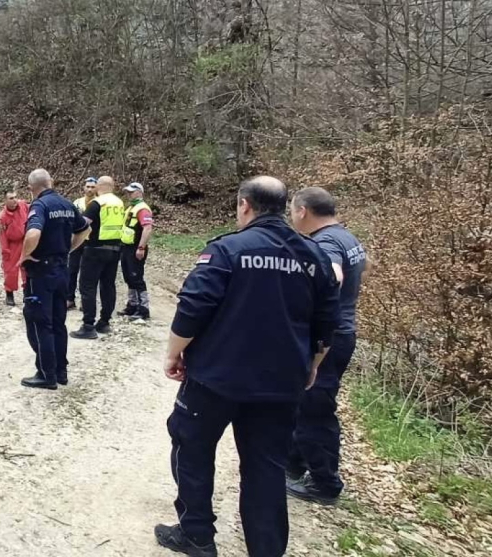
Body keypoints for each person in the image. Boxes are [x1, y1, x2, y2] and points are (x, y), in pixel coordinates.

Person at [154, 176, 340, 557]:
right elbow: (327, 323)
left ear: (244, 205)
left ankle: (196, 534)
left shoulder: (227, 249)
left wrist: (174, 353)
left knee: (191, 448)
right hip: (280, 383)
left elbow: (192, 306)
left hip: (215, 379)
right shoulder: (313, 255)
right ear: (285, 206)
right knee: (266, 467)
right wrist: (313, 365)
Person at [286, 187, 368, 506]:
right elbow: (364, 267)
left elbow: (332, 276)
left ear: (303, 211)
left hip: (328, 337)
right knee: (305, 402)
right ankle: (293, 463)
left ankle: (325, 482)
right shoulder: (347, 237)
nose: (292, 217)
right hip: (343, 332)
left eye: (293, 211)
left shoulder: (325, 242)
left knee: (314, 408)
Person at [18, 169, 90, 390]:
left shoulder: (40, 206)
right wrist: (68, 249)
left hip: (41, 273)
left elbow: (33, 234)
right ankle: (61, 371)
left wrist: (24, 255)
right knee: (59, 322)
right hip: (62, 270)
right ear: (51, 182)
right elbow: (85, 228)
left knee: (41, 323)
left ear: (32, 188)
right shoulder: (68, 205)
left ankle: (46, 374)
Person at [70, 175, 124, 340]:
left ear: (99, 187)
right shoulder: (119, 203)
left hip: (95, 249)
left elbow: (83, 224)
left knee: (87, 286)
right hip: (115, 249)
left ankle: (88, 325)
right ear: (112, 186)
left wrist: (72, 244)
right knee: (108, 286)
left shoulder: (97, 203)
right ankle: (105, 322)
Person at [118, 181, 154, 321]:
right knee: (128, 277)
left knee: (136, 278)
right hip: (127, 246)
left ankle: (143, 309)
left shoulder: (142, 208)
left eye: (131, 192)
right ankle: (132, 305)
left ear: (140, 192)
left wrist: (141, 247)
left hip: (136, 247)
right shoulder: (132, 207)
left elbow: (147, 228)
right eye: (128, 192)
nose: (129, 194)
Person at [68, 177, 97, 309]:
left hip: (92, 241)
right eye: (88, 186)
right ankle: (69, 298)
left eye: (92, 187)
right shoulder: (77, 202)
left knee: (88, 273)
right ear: (84, 188)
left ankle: (85, 301)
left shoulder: (99, 203)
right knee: (72, 269)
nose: (90, 189)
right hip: (78, 239)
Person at [0, 189, 29, 306]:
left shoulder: (23, 206)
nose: (14, 200)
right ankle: (9, 294)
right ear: (5, 201)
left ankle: (27, 293)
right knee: (10, 270)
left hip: (25, 241)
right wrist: (5, 250)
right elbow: (2, 236)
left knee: (27, 268)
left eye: (15, 197)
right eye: (11, 198)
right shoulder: (3, 217)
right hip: (12, 244)